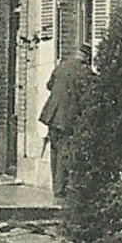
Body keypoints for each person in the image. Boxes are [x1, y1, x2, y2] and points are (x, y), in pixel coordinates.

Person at [39, 43, 91, 199]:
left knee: (54, 151)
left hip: (52, 115)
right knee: (64, 152)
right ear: (87, 58)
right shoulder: (85, 72)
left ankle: (56, 186)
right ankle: (60, 190)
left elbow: (49, 85)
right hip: (67, 118)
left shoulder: (61, 66)